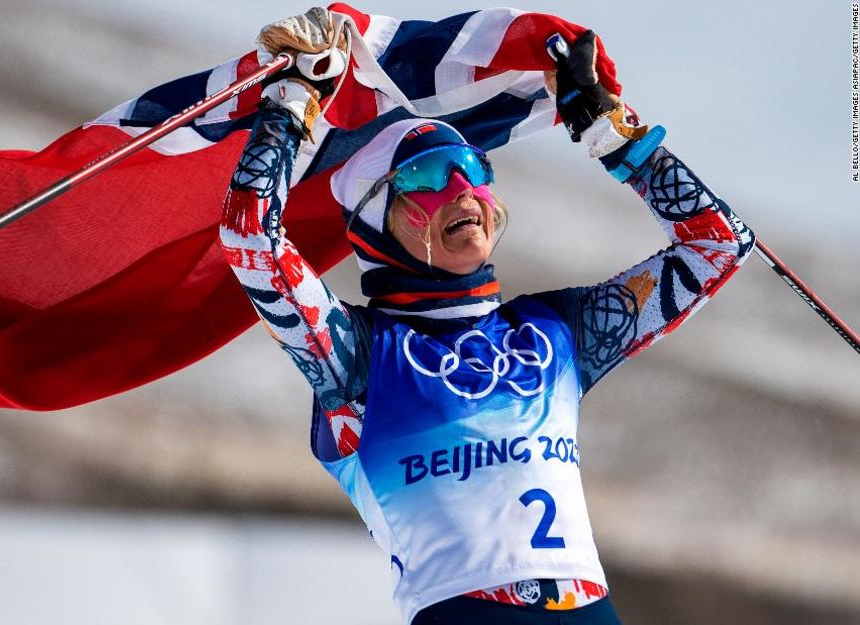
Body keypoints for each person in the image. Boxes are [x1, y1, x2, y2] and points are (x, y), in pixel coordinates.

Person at [218, 8, 755, 624]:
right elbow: (252, 240)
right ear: (372, 223)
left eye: (474, 170)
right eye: (424, 177)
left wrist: (612, 135)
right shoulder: (358, 356)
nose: (461, 188)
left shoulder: (555, 332)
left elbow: (717, 244)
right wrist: (290, 101)